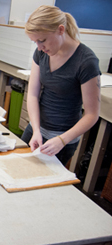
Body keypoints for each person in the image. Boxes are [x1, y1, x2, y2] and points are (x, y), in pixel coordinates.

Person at [21, 5, 101, 166]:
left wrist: (61, 141)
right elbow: (33, 94)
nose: (39, 47)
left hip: (62, 138)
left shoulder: (86, 62)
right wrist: (36, 130)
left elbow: (92, 115)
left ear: (60, 30)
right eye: (35, 41)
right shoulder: (41, 53)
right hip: (36, 129)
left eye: (42, 40)